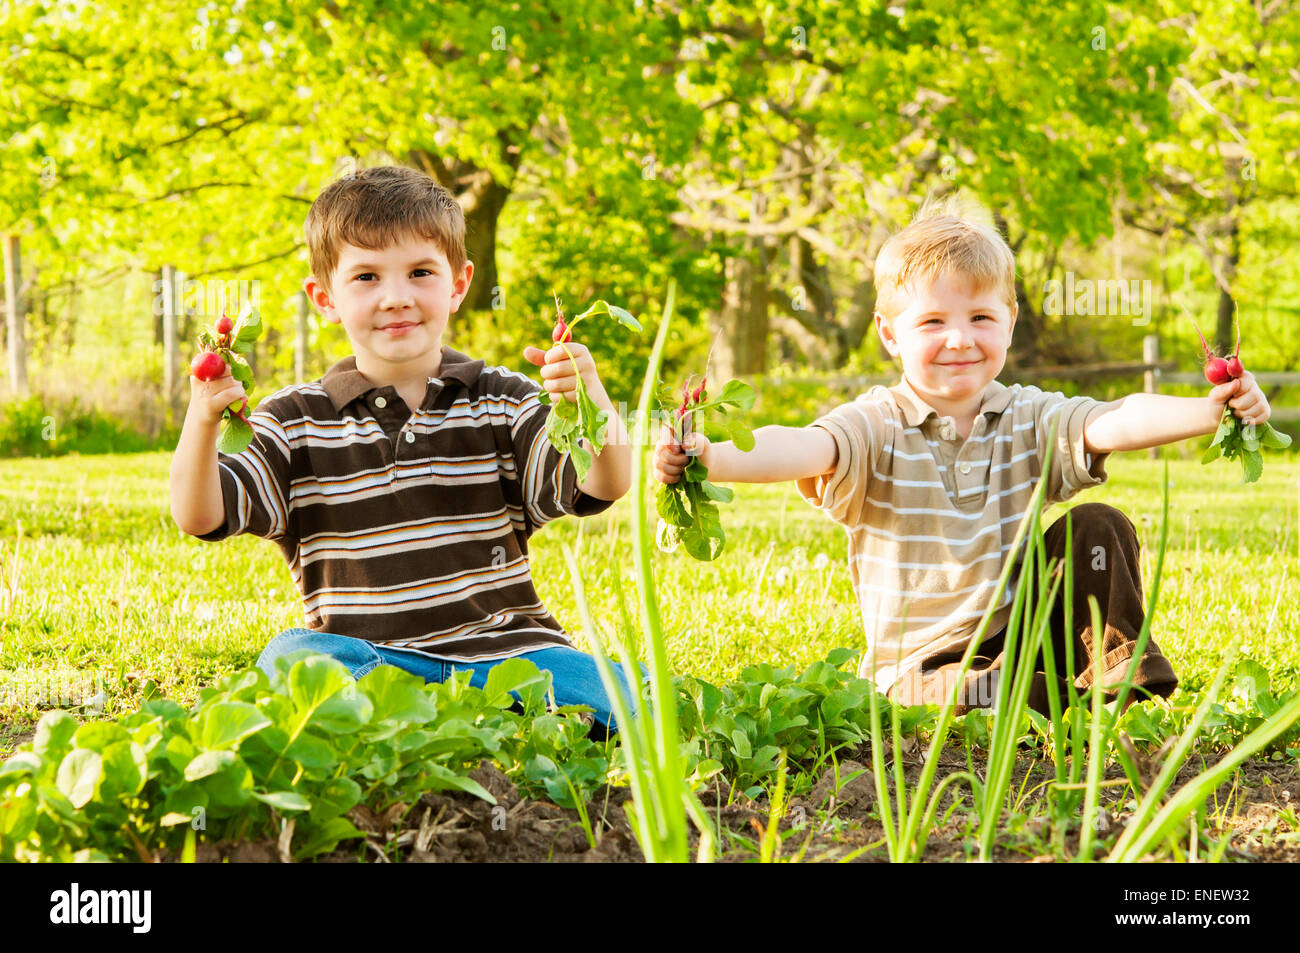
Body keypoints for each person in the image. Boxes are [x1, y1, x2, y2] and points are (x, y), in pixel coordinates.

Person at [654, 195, 1273, 716]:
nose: (959, 338)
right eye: (932, 322)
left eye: (980, 316)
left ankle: (1110, 681)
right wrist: (708, 456)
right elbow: (799, 447)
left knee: (1099, 525)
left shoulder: (1028, 415)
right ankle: (1027, 699)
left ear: (1009, 321)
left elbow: (1113, 418)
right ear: (890, 333)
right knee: (966, 690)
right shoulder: (874, 423)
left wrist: (1211, 410)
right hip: (924, 663)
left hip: (1022, 636)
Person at [169, 164, 636, 734]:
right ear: (325, 297)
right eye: (366, 277)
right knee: (295, 660)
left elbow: (605, 482)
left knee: (621, 697)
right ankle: (434, 720)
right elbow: (199, 516)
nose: (396, 298)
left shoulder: (503, 400)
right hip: (376, 663)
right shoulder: (294, 421)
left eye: (420, 272)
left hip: (509, 657)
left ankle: (459, 720)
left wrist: (591, 402)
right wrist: (200, 419)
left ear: (459, 284)